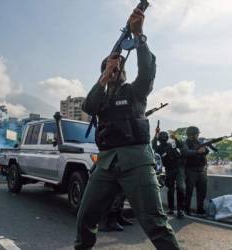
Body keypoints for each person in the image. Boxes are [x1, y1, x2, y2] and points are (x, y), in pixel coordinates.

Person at [74, 8, 180, 250]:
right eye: (112, 67)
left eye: (120, 66)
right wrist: (102, 79)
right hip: (106, 162)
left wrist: (139, 38)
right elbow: (88, 106)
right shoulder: (100, 96)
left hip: (137, 161)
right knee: (86, 216)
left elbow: (148, 71)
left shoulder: (135, 91)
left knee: (155, 223)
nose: (117, 70)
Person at [152, 129, 185, 218]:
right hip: (169, 169)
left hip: (178, 168)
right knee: (170, 189)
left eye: (164, 137)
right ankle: (171, 209)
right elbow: (153, 144)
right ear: (159, 139)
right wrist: (156, 133)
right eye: (161, 137)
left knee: (180, 188)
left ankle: (180, 209)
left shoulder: (172, 145)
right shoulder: (158, 149)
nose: (163, 139)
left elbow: (181, 145)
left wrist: (175, 137)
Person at [183, 126, 209, 216]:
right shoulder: (185, 143)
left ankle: (200, 210)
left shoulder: (199, 142)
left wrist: (204, 149)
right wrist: (197, 151)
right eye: (197, 134)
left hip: (201, 170)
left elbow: (206, 151)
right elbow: (186, 152)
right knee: (189, 191)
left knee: (202, 191)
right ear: (192, 134)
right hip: (191, 170)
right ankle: (186, 210)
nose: (198, 135)